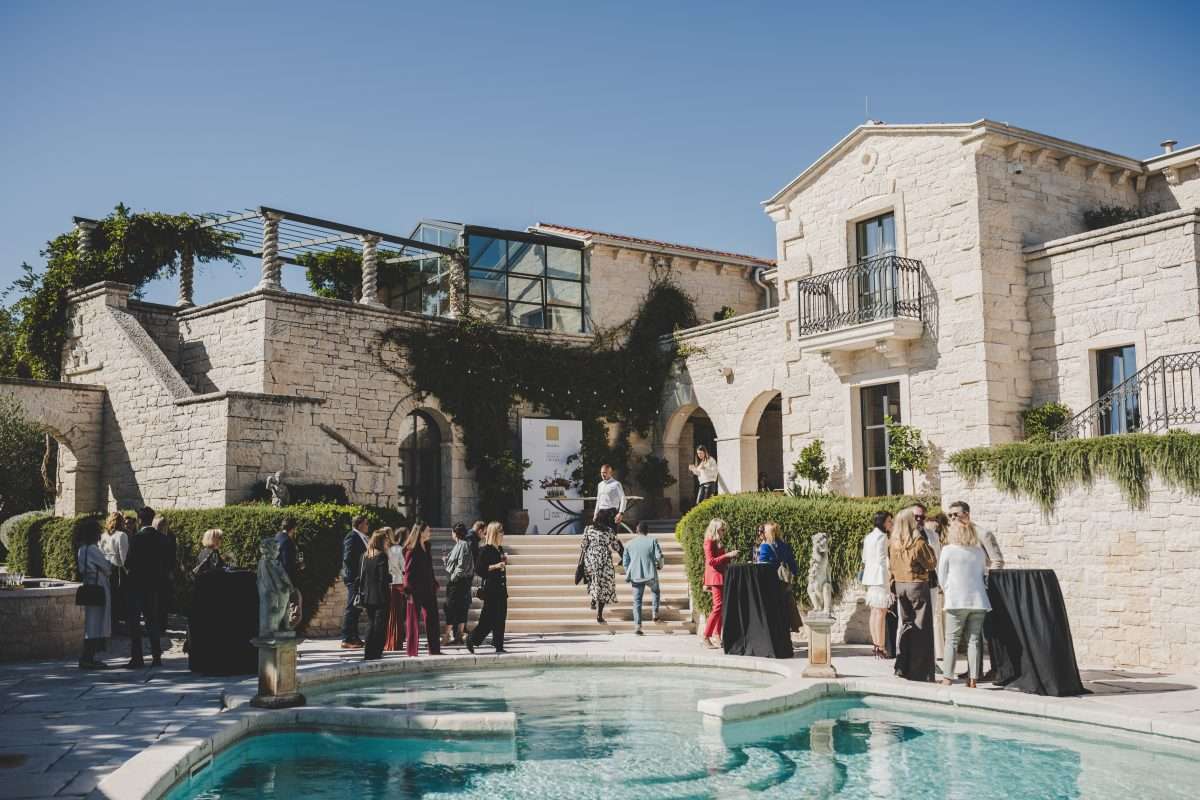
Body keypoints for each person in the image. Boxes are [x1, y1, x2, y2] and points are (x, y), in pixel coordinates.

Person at [948, 500, 1003, 679]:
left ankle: (996, 669)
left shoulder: (983, 534)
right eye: (950, 515)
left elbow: (997, 560)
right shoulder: (953, 536)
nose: (952, 518)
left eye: (956, 514)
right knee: (971, 633)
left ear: (967, 514)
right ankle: (974, 670)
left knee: (989, 632)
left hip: (983, 589)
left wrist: (986, 580)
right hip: (963, 591)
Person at [937, 519, 992, 688]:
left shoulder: (948, 550)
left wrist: (947, 590)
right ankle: (973, 678)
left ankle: (947, 678)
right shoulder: (979, 552)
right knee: (973, 640)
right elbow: (983, 573)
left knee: (952, 640)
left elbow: (941, 576)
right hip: (978, 600)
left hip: (956, 600)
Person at [889, 507, 937, 682]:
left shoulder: (893, 543)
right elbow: (931, 563)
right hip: (916, 584)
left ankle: (902, 666)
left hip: (900, 585)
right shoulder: (918, 542)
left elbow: (891, 566)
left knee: (906, 626)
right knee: (922, 629)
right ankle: (920, 671)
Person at [124, 507, 164, 668]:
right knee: (152, 621)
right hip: (153, 584)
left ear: (140, 520)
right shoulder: (161, 538)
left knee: (135, 622)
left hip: (136, 583)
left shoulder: (137, 538)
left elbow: (129, 562)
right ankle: (156, 656)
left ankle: (137, 657)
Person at [75, 517, 112, 670]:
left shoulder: (81, 549)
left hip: (89, 586)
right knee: (96, 624)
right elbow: (107, 568)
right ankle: (88, 658)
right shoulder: (93, 550)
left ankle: (89, 656)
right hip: (99, 587)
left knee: (91, 623)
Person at [467, 522, 508, 654]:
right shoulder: (485, 550)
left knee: (501, 618)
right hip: (491, 590)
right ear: (494, 534)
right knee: (487, 620)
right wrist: (496, 566)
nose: (503, 534)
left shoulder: (499, 549)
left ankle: (498, 645)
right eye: (501, 532)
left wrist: (503, 562)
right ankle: (472, 639)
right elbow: (479, 569)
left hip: (501, 589)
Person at [403, 523, 442, 656]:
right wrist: (408, 590)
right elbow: (407, 572)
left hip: (429, 588)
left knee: (433, 619)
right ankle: (412, 652)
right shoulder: (411, 550)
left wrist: (434, 582)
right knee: (413, 621)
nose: (430, 532)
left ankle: (434, 650)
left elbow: (429, 567)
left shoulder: (427, 546)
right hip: (415, 590)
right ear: (421, 532)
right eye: (428, 530)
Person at [756, 521, 802, 631]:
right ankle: (788, 631)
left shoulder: (765, 547)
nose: (761, 533)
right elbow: (793, 564)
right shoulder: (784, 545)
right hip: (784, 582)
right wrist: (793, 576)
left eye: (763, 531)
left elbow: (762, 565)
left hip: (771, 583)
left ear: (767, 533)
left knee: (773, 610)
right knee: (786, 607)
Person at [701, 518, 738, 648]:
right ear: (715, 529)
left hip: (720, 576)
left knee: (721, 607)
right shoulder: (709, 542)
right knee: (718, 606)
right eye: (722, 529)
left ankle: (717, 635)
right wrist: (727, 555)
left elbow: (719, 560)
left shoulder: (717, 542)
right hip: (715, 577)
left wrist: (730, 557)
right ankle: (706, 636)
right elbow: (711, 561)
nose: (723, 532)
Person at [622, 522, 664, 634]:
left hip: (636, 576)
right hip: (650, 574)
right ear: (647, 531)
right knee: (655, 591)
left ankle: (638, 626)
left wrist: (629, 572)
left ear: (637, 530)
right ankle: (655, 614)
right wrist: (660, 566)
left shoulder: (629, 544)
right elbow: (659, 556)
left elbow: (625, 562)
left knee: (637, 601)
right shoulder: (653, 541)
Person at [861, 511, 893, 659]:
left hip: (870, 576)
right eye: (889, 521)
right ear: (883, 522)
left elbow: (864, 558)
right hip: (880, 576)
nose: (891, 524)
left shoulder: (868, 537)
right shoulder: (883, 537)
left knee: (874, 611)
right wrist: (890, 574)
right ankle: (880, 647)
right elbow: (883, 559)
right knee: (881, 611)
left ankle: (876, 645)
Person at [359, 531, 393, 660]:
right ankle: (377, 652)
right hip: (380, 596)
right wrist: (391, 577)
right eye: (386, 540)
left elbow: (362, 576)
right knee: (380, 625)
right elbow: (383, 578)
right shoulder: (381, 556)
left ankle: (368, 652)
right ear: (381, 541)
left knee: (371, 623)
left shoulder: (365, 555)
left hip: (368, 596)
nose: (388, 542)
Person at [581, 516, 620, 623]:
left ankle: (593, 600)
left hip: (591, 559)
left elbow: (583, 545)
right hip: (604, 561)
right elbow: (616, 547)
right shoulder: (609, 531)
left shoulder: (588, 529)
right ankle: (599, 615)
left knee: (594, 581)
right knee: (604, 586)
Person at [340, 515, 370, 649]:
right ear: (359, 525)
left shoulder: (363, 537)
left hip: (362, 578)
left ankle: (354, 637)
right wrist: (356, 575)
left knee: (357, 607)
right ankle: (346, 638)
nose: (368, 526)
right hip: (354, 578)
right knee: (352, 608)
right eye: (366, 523)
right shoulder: (352, 536)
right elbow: (348, 558)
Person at [924, 511, 949, 663]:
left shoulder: (937, 540)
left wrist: (941, 582)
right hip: (936, 579)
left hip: (936, 579)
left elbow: (938, 562)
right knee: (937, 616)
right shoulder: (940, 540)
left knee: (937, 616)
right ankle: (939, 650)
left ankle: (939, 650)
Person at [443, 523, 474, 645]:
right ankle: (458, 636)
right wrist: (447, 561)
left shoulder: (463, 545)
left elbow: (462, 566)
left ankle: (447, 636)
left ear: (455, 533)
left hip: (458, 582)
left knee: (451, 608)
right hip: (457, 581)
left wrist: (453, 578)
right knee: (458, 608)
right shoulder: (459, 545)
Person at [99, 512, 129, 631]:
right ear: (121, 522)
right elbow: (124, 557)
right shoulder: (122, 535)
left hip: (105, 570)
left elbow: (100, 554)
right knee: (119, 598)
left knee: (109, 598)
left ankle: (110, 624)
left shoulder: (103, 536)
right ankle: (117, 624)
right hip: (118, 570)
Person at [383, 527, 407, 652]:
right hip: (397, 583)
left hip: (386, 584)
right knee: (397, 613)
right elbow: (404, 567)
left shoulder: (383, 550)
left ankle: (388, 641)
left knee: (389, 614)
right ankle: (395, 641)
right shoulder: (397, 549)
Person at [153, 514, 177, 634]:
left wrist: (171, 571)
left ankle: (161, 625)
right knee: (159, 600)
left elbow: (172, 556)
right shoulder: (162, 536)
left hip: (163, 572)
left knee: (162, 600)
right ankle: (159, 624)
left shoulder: (169, 536)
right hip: (159, 572)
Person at [593, 464, 626, 532]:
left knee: (611, 535)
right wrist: (595, 514)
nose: (603, 474)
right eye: (601, 473)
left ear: (610, 473)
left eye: (605, 472)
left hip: (611, 513)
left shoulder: (616, 484)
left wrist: (620, 513)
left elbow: (623, 499)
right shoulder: (600, 485)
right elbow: (598, 500)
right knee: (599, 535)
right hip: (601, 513)